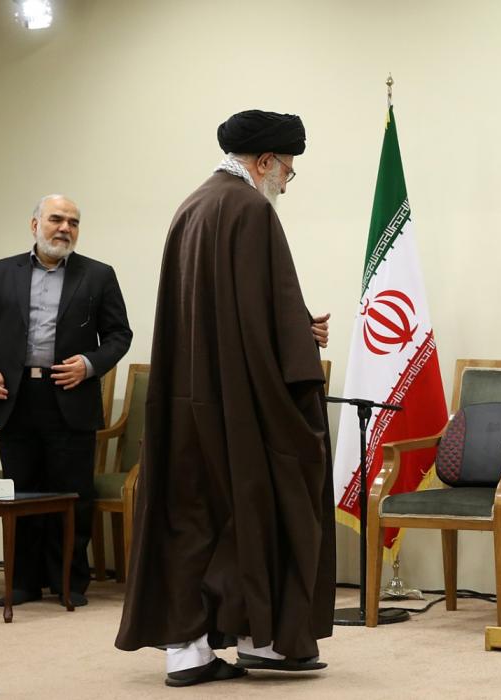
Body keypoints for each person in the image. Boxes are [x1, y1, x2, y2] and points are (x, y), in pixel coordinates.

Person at [115, 109, 336, 688]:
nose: (287, 181)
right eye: (288, 170)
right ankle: (263, 641)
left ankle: (191, 652)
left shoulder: (191, 206)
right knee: (263, 505)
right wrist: (302, 341)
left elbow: (232, 310)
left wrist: (293, 325)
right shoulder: (250, 209)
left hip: (188, 397)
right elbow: (263, 317)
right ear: (264, 162)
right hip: (239, 401)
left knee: (194, 516)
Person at [0, 194, 132, 607]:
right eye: (56, 219)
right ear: (35, 224)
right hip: (16, 398)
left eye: (73, 222)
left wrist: (89, 365)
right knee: (22, 492)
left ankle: (68, 581)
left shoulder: (98, 275)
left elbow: (119, 335)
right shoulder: (0, 273)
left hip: (71, 396)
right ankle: (23, 582)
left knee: (72, 494)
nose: (65, 228)